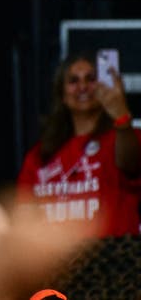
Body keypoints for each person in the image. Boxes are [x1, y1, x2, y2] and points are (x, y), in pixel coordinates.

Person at [16, 52, 141, 237]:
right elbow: (23, 217)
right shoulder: (39, 155)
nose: (83, 87)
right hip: (55, 262)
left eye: (91, 79)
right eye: (73, 81)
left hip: (112, 260)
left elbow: (131, 165)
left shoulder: (126, 137)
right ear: (62, 95)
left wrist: (121, 115)